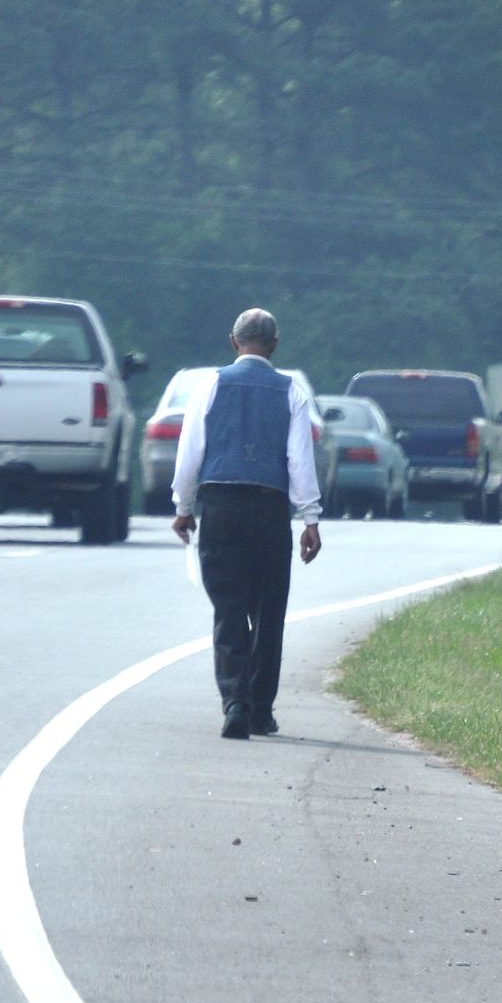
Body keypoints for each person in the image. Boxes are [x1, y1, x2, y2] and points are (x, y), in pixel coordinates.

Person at [171, 308, 322, 739]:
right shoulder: (290, 391)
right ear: (275, 344)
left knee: (229, 608)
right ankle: (260, 708)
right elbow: (299, 460)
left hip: (220, 506)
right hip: (269, 509)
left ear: (233, 342)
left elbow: (190, 452)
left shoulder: (210, 386)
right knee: (269, 611)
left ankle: (234, 700)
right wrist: (310, 518)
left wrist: (184, 507)